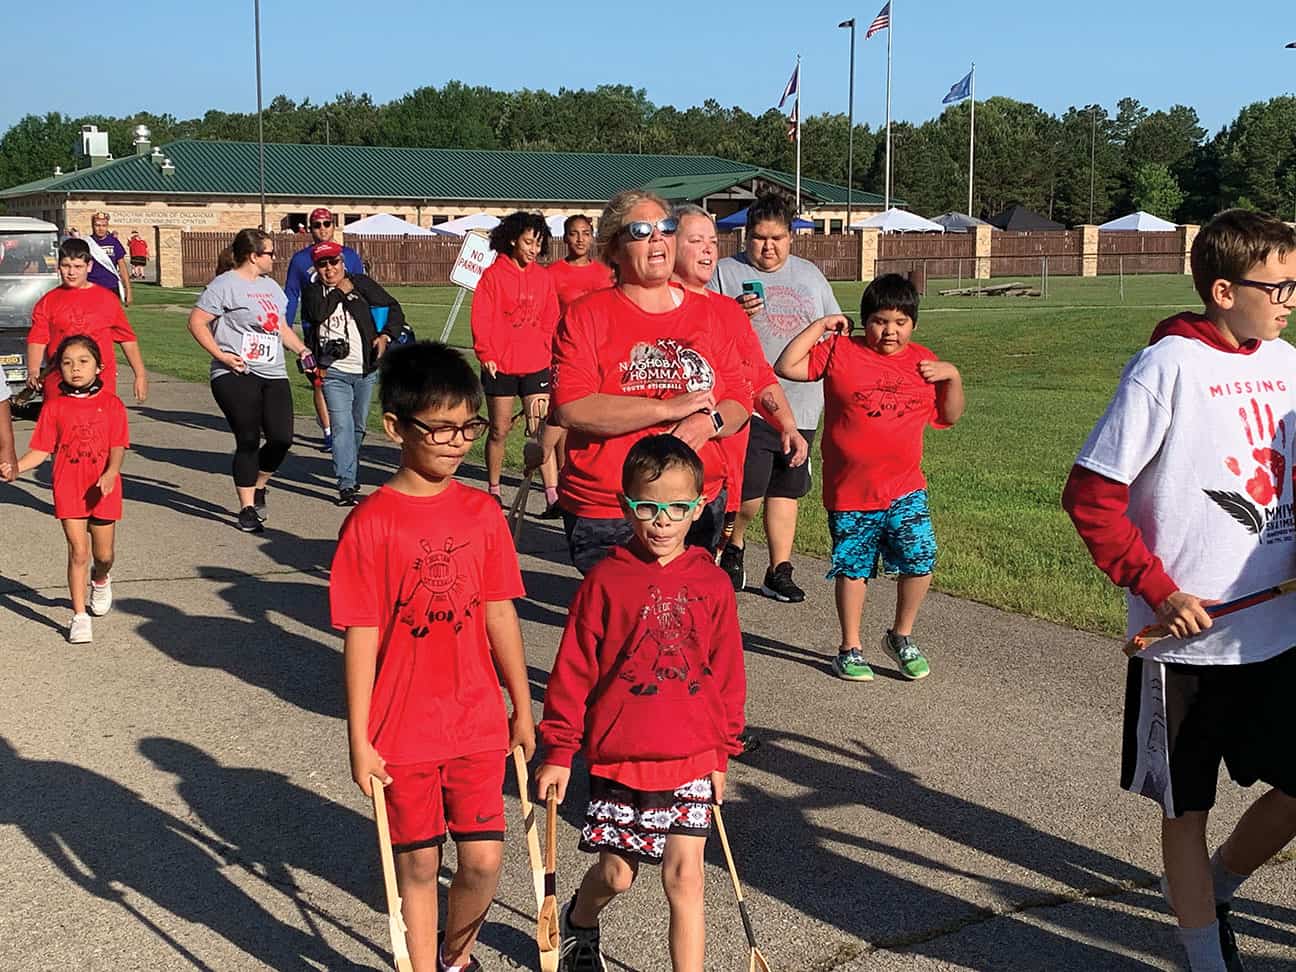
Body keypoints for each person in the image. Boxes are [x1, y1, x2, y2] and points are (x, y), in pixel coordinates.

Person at [1063, 209, 1296, 972]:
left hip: (1280, 633)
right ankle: (1203, 954)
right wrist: (1158, 590)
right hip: (1185, 645)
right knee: (1185, 810)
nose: (1290, 298)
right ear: (1224, 290)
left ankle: (1220, 886)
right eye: (1278, 285)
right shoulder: (1166, 367)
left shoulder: (1286, 361)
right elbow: (1092, 496)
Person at [331, 341, 534, 972]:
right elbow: (360, 633)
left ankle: (455, 955)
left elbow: (501, 611)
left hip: (474, 720)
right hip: (402, 730)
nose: (456, 441)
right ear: (395, 427)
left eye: (467, 427)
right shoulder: (370, 522)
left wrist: (523, 707)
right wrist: (359, 737)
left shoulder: (481, 512)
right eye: (439, 428)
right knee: (418, 863)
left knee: (483, 860)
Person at [535, 435, 745, 972]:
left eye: (677, 507)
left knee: (685, 877)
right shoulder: (606, 581)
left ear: (698, 507)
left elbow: (726, 673)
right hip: (620, 757)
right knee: (617, 875)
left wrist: (722, 752)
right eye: (648, 506)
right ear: (626, 505)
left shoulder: (712, 582)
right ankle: (581, 922)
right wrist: (559, 750)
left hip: (693, 755)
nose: (662, 521)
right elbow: (574, 671)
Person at [550, 190, 749, 575]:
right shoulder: (586, 316)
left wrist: (708, 424)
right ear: (613, 247)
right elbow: (573, 407)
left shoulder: (707, 314)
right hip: (612, 507)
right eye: (641, 231)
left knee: (683, 619)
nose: (658, 238)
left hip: (694, 503)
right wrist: (666, 409)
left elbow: (739, 396)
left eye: (667, 228)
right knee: (622, 623)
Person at [776, 274, 964, 682]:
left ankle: (901, 636)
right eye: (880, 321)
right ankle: (850, 648)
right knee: (853, 568)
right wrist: (822, 325)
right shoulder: (840, 351)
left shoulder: (924, 363)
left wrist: (953, 375)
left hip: (905, 488)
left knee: (920, 560)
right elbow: (785, 366)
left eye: (900, 322)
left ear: (913, 322)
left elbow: (949, 416)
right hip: (851, 491)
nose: (890, 331)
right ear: (865, 321)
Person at [709, 193, 841, 603]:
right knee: (749, 492)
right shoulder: (725, 273)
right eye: (760, 238)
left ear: (791, 237)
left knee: (787, 488)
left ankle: (779, 569)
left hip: (801, 401)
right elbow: (703, 325)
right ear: (746, 237)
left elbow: (831, 329)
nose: (768, 247)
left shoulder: (809, 276)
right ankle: (735, 545)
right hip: (747, 402)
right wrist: (732, 312)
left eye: (777, 238)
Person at [672, 204, 807, 580]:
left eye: (713, 242)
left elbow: (759, 376)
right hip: (672, 473)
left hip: (723, 474)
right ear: (668, 244)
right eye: (695, 240)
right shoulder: (659, 307)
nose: (708, 250)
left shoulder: (727, 312)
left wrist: (788, 425)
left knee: (700, 579)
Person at [187, 228, 314, 534]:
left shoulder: (271, 288)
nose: (275, 257)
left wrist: (301, 349)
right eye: (270, 253)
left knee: (282, 437)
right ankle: (246, 508)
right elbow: (197, 322)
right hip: (235, 372)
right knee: (247, 437)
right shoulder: (225, 285)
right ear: (253, 256)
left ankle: (259, 485)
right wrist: (223, 355)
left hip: (272, 370)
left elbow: (280, 327)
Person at [4, 335, 129, 644]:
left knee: (104, 554)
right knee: (79, 552)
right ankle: (79, 616)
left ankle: (100, 579)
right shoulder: (54, 407)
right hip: (68, 486)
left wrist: (112, 472)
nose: (75, 369)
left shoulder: (112, 404)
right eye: (67, 363)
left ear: (99, 367)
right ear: (59, 368)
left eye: (83, 362)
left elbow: (118, 445)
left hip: (103, 486)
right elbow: (41, 450)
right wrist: (16, 466)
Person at [469, 211, 562, 514]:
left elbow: (551, 317)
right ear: (512, 240)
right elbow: (481, 317)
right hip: (501, 365)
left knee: (540, 430)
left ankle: (551, 494)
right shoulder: (493, 277)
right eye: (528, 243)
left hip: (536, 363)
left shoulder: (543, 277)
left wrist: (549, 349)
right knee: (500, 429)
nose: (534, 250)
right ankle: (494, 489)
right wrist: (486, 354)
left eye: (538, 244)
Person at [301, 240, 405, 506]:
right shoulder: (313, 293)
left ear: (342, 263)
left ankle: (348, 464)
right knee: (342, 426)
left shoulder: (361, 283)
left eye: (334, 262)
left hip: (365, 369)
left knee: (357, 426)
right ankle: (347, 484)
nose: (329, 269)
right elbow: (318, 315)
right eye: (322, 264)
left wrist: (385, 336)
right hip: (333, 371)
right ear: (316, 268)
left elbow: (394, 308)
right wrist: (339, 291)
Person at [26, 238, 148, 404]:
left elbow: (127, 339)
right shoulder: (48, 301)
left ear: (89, 266)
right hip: (59, 382)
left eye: (78, 267)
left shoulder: (107, 299)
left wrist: (140, 375)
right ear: (58, 266)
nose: (71, 272)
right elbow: (38, 339)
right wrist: (33, 370)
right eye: (66, 266)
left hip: (100, 384)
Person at [285, 207, 364, 452]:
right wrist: (286, 329)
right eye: (317, 225)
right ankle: (330, 433)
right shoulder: (300, 260)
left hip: (347, 328)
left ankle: (347, 429)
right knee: (320, 381)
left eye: (326, 224)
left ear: (333, 226)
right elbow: (291, 294)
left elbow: (362, 288)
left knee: (351, 381)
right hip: (315, 327)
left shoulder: (349, 255)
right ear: (310, 229)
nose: (322, 229)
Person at [547, 214, 615, 312]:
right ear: (565, 238)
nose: (580, 239)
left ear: (592, 238)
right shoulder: (551, 274)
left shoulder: (606, 273)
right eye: (574, 234)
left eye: (586, 234)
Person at [86, 212, 132, 305]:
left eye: (104, 225)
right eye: (97, 225)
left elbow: (122, 267)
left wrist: (128, 290)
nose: (100, 228)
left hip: (111, 286)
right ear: (92, 226)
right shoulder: (87, 243)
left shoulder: (114, 242)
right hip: (91, 286)